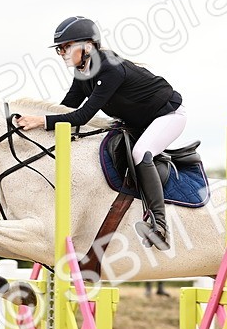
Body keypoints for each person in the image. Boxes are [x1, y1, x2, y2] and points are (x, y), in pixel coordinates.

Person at [15, 16, 187, 250]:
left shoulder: (109, 67)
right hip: (135, 121)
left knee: (140, 153)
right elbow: (66, 108)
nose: (63, 52)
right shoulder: (83, 71)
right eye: (60, 49)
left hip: (167, 116)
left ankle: (160, 225)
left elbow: (82, 116)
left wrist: (40, 120)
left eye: (67, 46)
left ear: (88, 46)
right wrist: (30, 116)